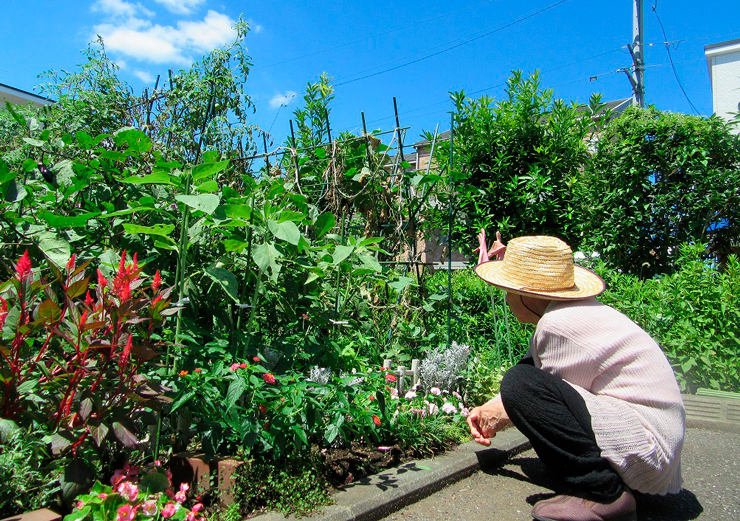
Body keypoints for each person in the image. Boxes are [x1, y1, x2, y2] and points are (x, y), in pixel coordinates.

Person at [467, 231, 685, 521]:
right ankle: (602, 482)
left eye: (508, 290)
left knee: (519, 384)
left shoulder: (558, 324)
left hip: (646, 450)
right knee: (523, 377)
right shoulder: (572, 313)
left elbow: (541, 394)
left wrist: (506, 404)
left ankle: (603, 494)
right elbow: (541, 371)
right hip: (655, 441)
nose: (506, 298)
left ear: (524, 293)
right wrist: (493, 409)